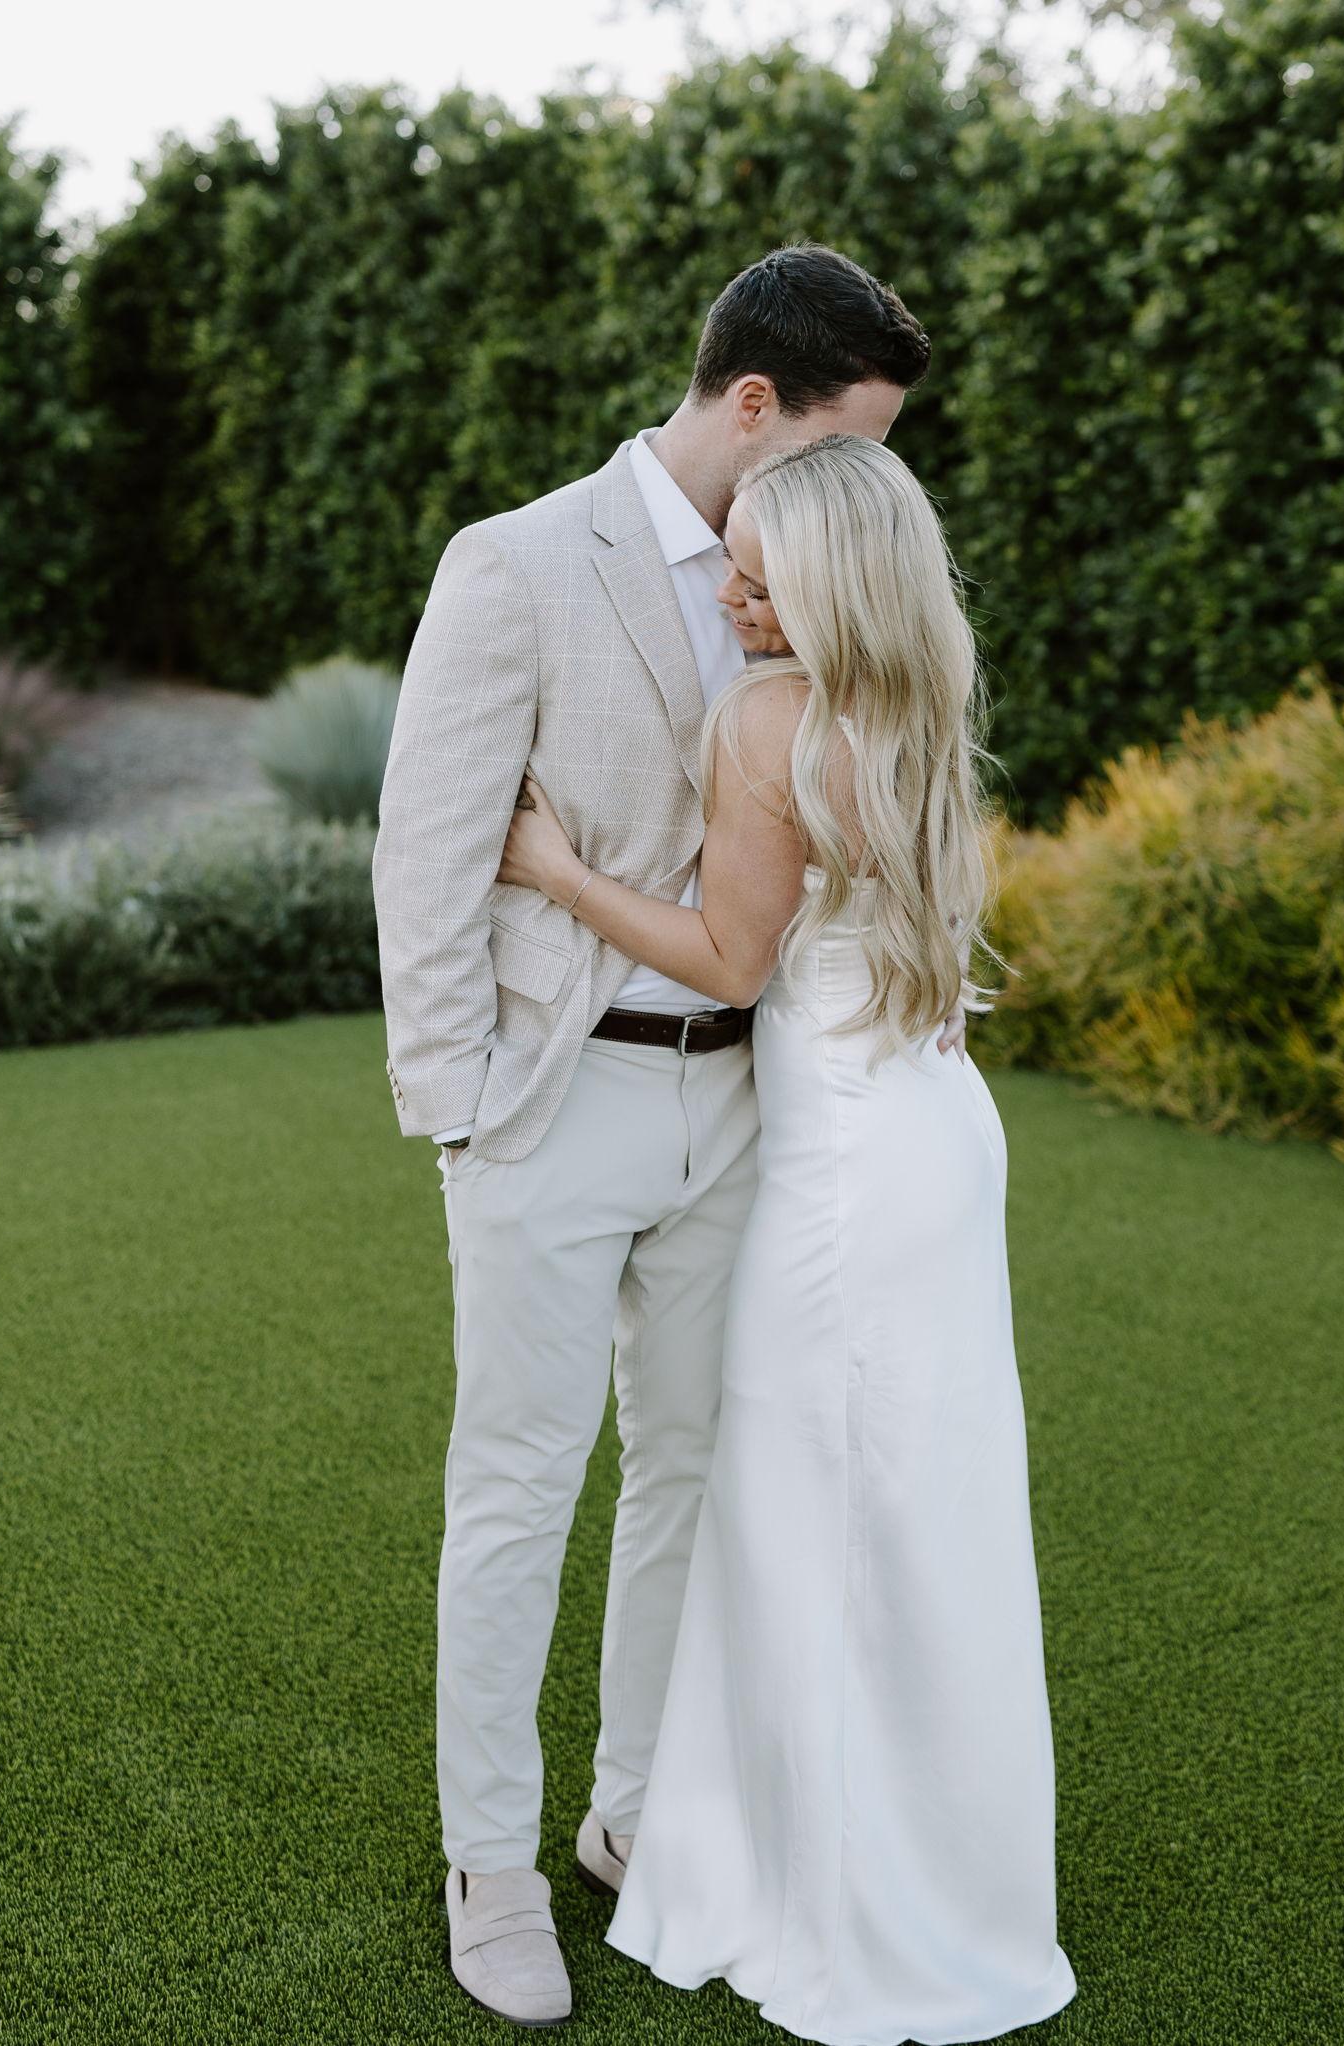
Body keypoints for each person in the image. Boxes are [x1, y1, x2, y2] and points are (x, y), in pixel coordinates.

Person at [371, 244, 938, 2027]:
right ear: (755, 405)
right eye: (843, 443)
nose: (862, 487)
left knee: (689, 1467)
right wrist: (460, 1112)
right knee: (519, 1487)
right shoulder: (517, 562)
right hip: (553, 1102)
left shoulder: (810, 591)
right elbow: (425, 853)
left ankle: (632, 1815)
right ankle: (490, 1863)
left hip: (745, 1100)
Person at [496, 434, 1076, 2044]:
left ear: (831, 589)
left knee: (803, 1512)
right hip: (939, 1138)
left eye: (758, 581)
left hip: (839, 1180)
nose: (733, 600)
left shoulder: (768, 721)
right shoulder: (918, 712)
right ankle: (941, 1874)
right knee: (925, 1516)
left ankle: (823, 1891)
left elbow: (729, 960)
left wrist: (558, 871)